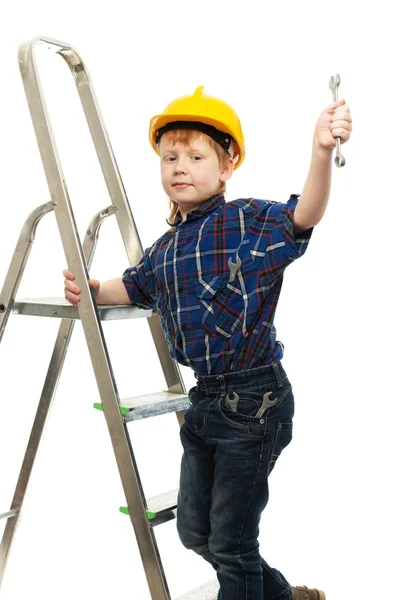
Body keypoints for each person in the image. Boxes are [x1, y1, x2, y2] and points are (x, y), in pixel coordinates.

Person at [63, 85, 352, 599]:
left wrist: (320, 152)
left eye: (196, 156)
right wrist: (90, 289)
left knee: (232, 544)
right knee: (197, 532)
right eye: (170, 156)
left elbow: (305, 214)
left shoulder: (246, 221)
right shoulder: (165, 249)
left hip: (254, 401)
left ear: (225, 168)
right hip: (205, 402)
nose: (180, 166)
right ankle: (284, 597)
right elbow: (131, 287)